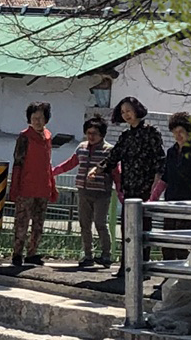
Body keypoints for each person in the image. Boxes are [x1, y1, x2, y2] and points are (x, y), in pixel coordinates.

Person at [54, 113, 117, 269]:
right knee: (84, 224)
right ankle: (87, 254)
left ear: (102, 134)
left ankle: (106, 254)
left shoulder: (109, 151)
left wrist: (121, 191)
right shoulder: (81, 148)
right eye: (88, 133)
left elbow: (116, 172)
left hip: (102, 193)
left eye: (94, 133)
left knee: (101, 223)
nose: (91, 136)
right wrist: (53, 172)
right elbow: (70, 164)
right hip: (83, 191)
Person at [7, 101, 58, 269]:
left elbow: (48, 164)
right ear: (29, 119)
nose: (37, 121)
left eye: (40, 118)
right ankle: (17, 253)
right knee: (22, 222)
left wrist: (52, 185)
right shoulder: (24, 137)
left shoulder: (48, 136)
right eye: (34, 118)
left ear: (46, 119)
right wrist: (14, 188)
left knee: (38, 223)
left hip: (43, 187)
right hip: (26, 187)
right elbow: (18, 163)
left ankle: (32, 253)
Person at [153, 110, 191, 258]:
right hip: (170, 202)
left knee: (181, 243)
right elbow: (165, 177)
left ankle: (182, 275)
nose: (178, 135)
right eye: (175, 132)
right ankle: (168, 275)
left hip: (187, 203)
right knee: (167, 242)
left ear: (189, 133)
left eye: (181, 131)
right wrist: (152, 199)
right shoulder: (171, 152)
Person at [108, 97, 165, 215]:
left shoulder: (151, 132)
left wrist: (156, 184)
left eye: (128, 110)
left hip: (145, 189)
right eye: (123, 112)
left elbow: (160, 160)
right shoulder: (125, 136)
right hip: (128, 190)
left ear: (136, 110)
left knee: (143, 227)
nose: (126, 114)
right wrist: (96, 169)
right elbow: (113, 157)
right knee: (127, 226)